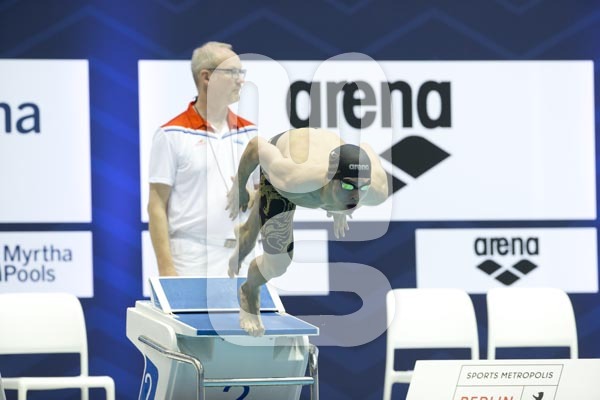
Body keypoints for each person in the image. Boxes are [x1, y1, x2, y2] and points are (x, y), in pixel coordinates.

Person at [227, 127, 389, 336]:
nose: (357, 197)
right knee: (277, 264)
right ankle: (249, 290)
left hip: (326, 162)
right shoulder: (292, 178)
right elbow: (255, 146)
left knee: (260, 233)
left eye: (363, 188)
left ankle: (248, 228)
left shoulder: (377, 190)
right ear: (329, 179)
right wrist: (240, 187)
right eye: (349, 187)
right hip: (289, 167)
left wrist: (341, 205)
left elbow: (364, 148)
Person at [148, 41, 257, 276]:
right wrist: (167, 270)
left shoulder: (251, 133)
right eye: (233, 72)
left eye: (241, 72)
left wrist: (252, 195)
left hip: (243, 255)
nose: (241, 80)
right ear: (206, 77)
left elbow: (266, 193)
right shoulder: (171, 134)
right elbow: (156, 205)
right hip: (191, 259)